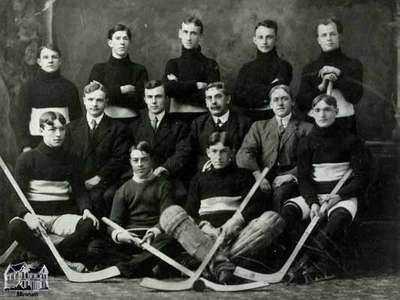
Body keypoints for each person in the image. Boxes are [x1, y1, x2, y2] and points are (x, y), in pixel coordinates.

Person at [270, 94, 370, 283]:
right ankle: (300, 262)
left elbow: (362, 178)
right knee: (288, 213)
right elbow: (305, 178)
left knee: (338, 219)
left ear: (336, 112)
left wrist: (339, 196)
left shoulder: (352, 141)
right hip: (315, 196)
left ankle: (310, 262)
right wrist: (312, 203)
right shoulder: (306, 142)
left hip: (341, 196)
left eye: (327, 110)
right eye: (318, 110)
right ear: (312, 113)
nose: (322, 114)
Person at [160, 131, 284, 283]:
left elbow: (257, 205)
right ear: (208, 153)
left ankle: (210, 263)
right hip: (204, 237)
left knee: (273, 218)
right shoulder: (198, 179)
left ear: (231, 152)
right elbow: (191, 211)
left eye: (223, 151)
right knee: (170, 213)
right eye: (214, 151)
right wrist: (206, 228)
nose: (218, 157)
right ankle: (221, 265)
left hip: (236, 238)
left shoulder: (243, 176)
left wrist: (235, 222)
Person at [8, 111, 98, 273]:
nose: (58, 134)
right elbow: (16, 197)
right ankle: (63, 262)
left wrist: (86, 210)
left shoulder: (72, 158)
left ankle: (45, 259)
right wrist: (28, 217)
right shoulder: (27, 159)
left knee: (90, 224)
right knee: (15, 226)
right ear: (41, 130)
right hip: (36, 217)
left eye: (61, 129)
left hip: (61, 217)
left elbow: (80, 191)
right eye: (52, 129)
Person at [88, 141, 178, 278]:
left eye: (144, 160)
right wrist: (120, 236)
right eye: (135, 160)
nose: (140, 164)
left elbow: (167, 216)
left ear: (151, 160)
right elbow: (114, 223)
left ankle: (128, 267)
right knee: (95, 247)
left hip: (153, 239)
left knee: (171, 240)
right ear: (130, 162)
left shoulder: (163, 185)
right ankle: (146, 266)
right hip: (130, 240)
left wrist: (154, 231)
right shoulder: (123, 189)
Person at [236, 85, 313, 212]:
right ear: (270, 104)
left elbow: (311, 158)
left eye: (284, 99)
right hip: (263, 175)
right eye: (276, 100)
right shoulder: (259, 126)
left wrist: (290, 176)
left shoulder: (306, 128)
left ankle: (277, 230)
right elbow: (245, 152)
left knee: (280, 194)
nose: (280, 103)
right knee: (251, 194)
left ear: (292, 102)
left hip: (292, 177)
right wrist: (258, 175)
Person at [64, 81, 129, 218]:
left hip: (105, 181)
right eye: (91, 99)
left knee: (100, 198)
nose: (94, 104)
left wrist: (99, 178)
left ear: (106, 102)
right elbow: (66, 158)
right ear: (84, 101)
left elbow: (119, 159)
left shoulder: (118, 128)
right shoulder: (71, 128)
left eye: (99, 100)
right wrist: (77, 182)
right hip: (78, 181)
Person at [128, 80, 191, 203]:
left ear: (166, 98)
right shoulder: (134, 126)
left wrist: (165, 168)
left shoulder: (179, 126)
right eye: (149, 97)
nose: (154, 101)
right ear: (145, 99)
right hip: (140, 177)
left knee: (180, 195)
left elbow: (183, 153)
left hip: (168, 177)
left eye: (158, 96)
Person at [297, 18, 363, 133]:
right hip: (315, 124)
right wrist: (320, 88)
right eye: (324, 35)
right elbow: (301, 103)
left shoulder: (353, 65)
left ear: (340, 36)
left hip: (344, 123)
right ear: (318, 39)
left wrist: (339, 76)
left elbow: (355, 97)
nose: (328, 38)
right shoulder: (310, 68)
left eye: (332, 34)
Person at [14, 44, 81, 152]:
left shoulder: (69, 88)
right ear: (39, 61)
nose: (50, 60)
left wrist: (75, 144)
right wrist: (25, 145)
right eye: (46, 57)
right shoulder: (28, 87)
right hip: (35, 144)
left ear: (60, 61)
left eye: (54, 57)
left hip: (64, 144)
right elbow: (21, 119)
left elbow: (77, 120)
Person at [163, 16, 220, 123]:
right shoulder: (172, 64)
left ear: (200, 36)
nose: (188, 38)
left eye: (193, 33)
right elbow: (168, 90)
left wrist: (178, 85)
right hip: (175, 119)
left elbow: (210, 96)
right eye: (185, 32)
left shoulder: (210, 64)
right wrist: (195, 85)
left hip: (202, 119)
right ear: (180, 33)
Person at [234, 19, 292, 121]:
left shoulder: (284, 66)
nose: (264, 42)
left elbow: (277, 91)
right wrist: (269, 88)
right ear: (255, 40)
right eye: (260, 37)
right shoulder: (246, 68)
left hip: (273, 117)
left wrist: (251, 89)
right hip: (248, 118)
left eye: (269, 37)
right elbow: (237, 98)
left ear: (276, 39)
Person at [88, 24, 149, 122]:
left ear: (129, 42)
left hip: (133, 123)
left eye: (125, 38)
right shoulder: (99, 69)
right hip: (106, 124)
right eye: (118, 38)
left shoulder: (139, 69)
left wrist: (107, 92)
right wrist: (123, 90)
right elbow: (93, 97)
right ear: (110, 43)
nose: (122, 42)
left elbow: (142, 101)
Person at [189, 82, 251, 172]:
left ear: (228, 99)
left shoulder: (244, 122)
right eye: (209, 98)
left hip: (235, 173)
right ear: (206, 102)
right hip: (207, 173)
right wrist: (208, 164)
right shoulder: (198, 124)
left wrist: (225, 164)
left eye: (218, 96)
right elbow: (192, 154)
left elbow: (247, 152)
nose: (213, 102)